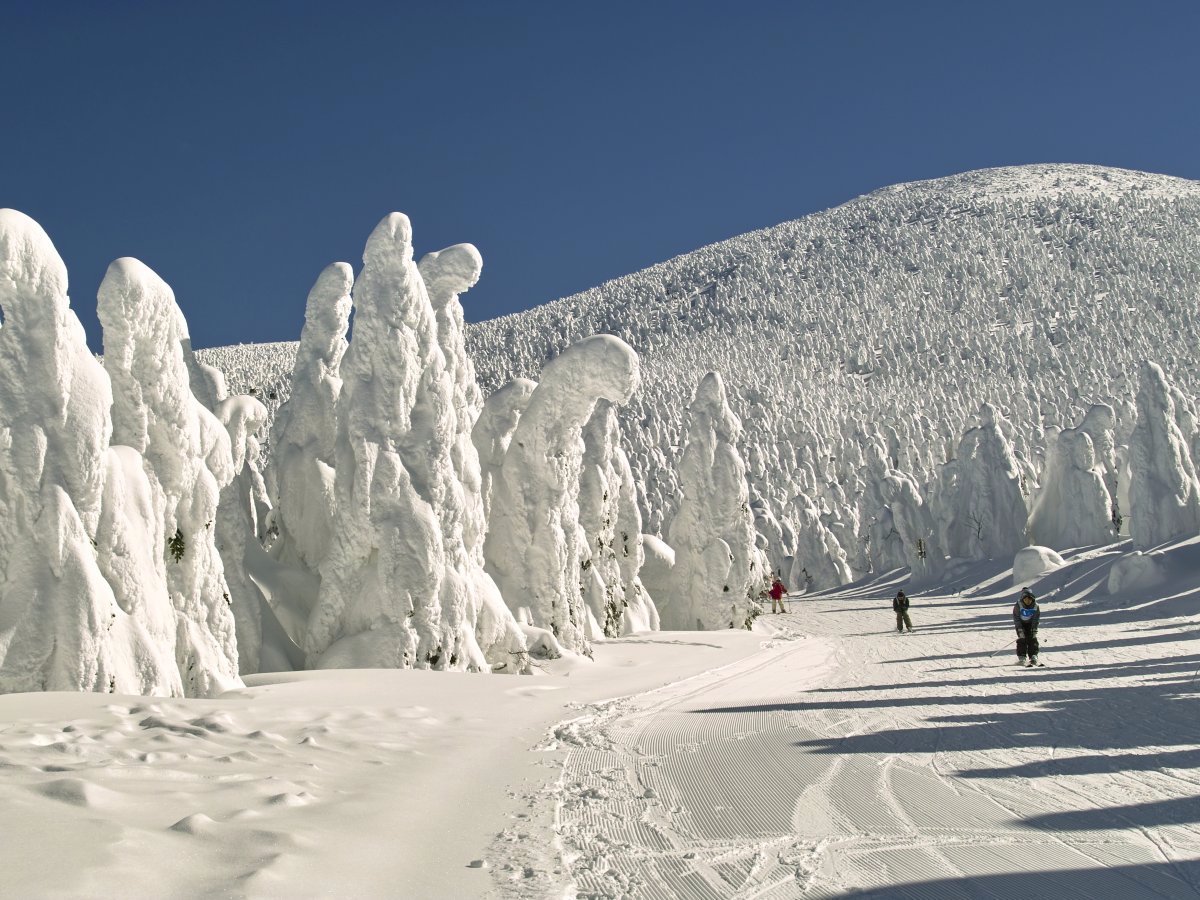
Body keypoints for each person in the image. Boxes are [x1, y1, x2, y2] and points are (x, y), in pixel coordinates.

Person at [1014, 589, 1041, 666]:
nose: (1028, 601)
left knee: (1032, 638)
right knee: (1022, 639)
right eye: (1026, 599)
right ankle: (1022, 657)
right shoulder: (1018, 605)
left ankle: (1033, 656)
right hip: (1021, 624)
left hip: (1030, 623)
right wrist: (1020, 629)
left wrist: (1034, 628)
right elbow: (1016, 618)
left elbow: (1036, 618)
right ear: (1023, 599)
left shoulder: (1036, 606)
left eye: (1029, 599)